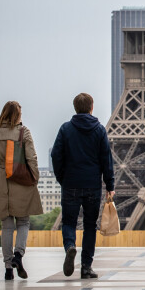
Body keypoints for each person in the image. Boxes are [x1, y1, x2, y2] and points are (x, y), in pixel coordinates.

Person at [51, 93, 115, 279]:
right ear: (91, 107)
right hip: (92, 185)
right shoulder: (99, 130)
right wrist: (109, 184)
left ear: (75, 107)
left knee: (69, 222)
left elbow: (56, 155)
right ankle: (86, 266)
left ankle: (70, 246)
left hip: (70, 183)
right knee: (89, 226)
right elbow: (106, 160)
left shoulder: (66, 129)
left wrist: (62, 177)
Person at [0, 101, 43, 280]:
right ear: (17, 115)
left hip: (0, 180)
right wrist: (35, 178)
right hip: (20, 179)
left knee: (6, 226)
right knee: (23, 222)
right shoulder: (23, 132)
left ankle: (8, 268)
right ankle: (18, 255)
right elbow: (32, 158)